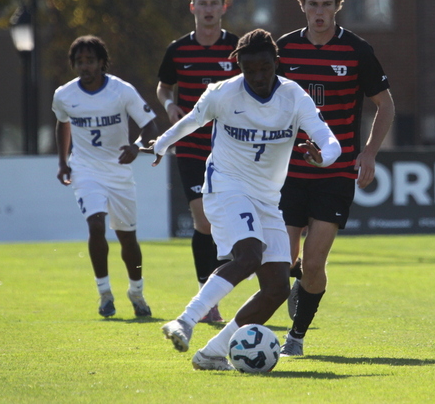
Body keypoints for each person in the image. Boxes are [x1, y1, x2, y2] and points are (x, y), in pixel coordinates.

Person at [141, 29, 340, 370]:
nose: (259, 77)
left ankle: (212, 354)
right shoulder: (223, 93)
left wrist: (323, 157)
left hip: (267, 199)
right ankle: (185, 322)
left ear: (276, 62)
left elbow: (330, 141)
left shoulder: (294, 97)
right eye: (250, 70)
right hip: (226, 186)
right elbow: (190, 121)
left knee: (277, 287)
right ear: (240, 67)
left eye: (265, 67)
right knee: (249, 254)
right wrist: (160, 144)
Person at [276, 0, 394, 356]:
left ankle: (296, 337)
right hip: (288, 171)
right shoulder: (285, 50)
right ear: (303, 7)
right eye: (314, 5)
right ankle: (289, 286)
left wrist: (370, 152)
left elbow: (385, 105)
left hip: (336, 172)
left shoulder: (357, 50)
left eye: (327, 4)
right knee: (282, 261)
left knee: (313, 262)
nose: (320, 12)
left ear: (338, 6)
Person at [52, 35, 158, 318]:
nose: (84, 66)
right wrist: (63, 162)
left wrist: (136, 147)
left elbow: (150, 126)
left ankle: (136, 291)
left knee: (128, 240)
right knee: (96, 226)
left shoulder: (121, 91)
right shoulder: (64, 95)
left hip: (119, 173)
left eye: (90, 61)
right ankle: (104, 293)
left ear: (102, 63)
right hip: (85, 170)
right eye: (79, 62)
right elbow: (62, 124)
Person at [156, 0, 240, 323]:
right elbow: (164, 87)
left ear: (224, 6)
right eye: (201, 3)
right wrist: (169, 106)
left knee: (224, 226)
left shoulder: (237, 48)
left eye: (213, 3)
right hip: (191, 147)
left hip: (231, 149)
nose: (208, 9)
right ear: (193, 7)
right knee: (203, 221)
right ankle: (209, 301)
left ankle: (217, 293)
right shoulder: (178, 50)